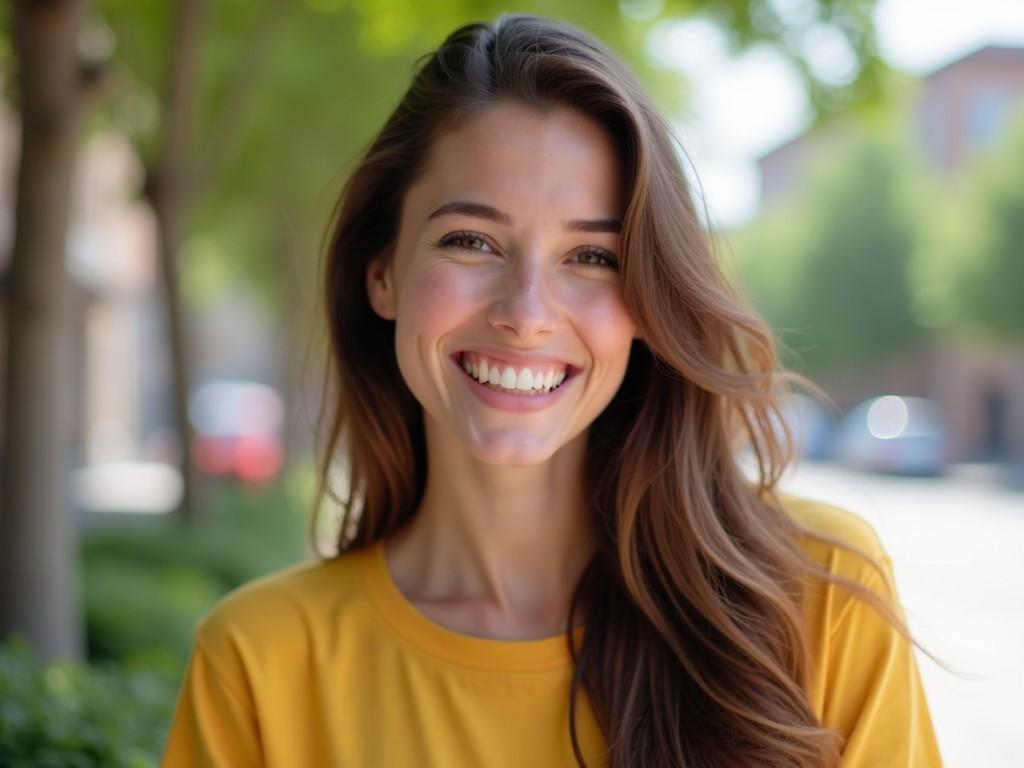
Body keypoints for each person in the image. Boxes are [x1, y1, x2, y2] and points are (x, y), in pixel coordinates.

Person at [161, 13, 941, 768]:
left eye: (592, 257)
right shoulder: (259, 664)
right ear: (383, 274)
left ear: (648, 301)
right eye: (471, 241)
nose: (526, 314)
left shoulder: (816, 598)